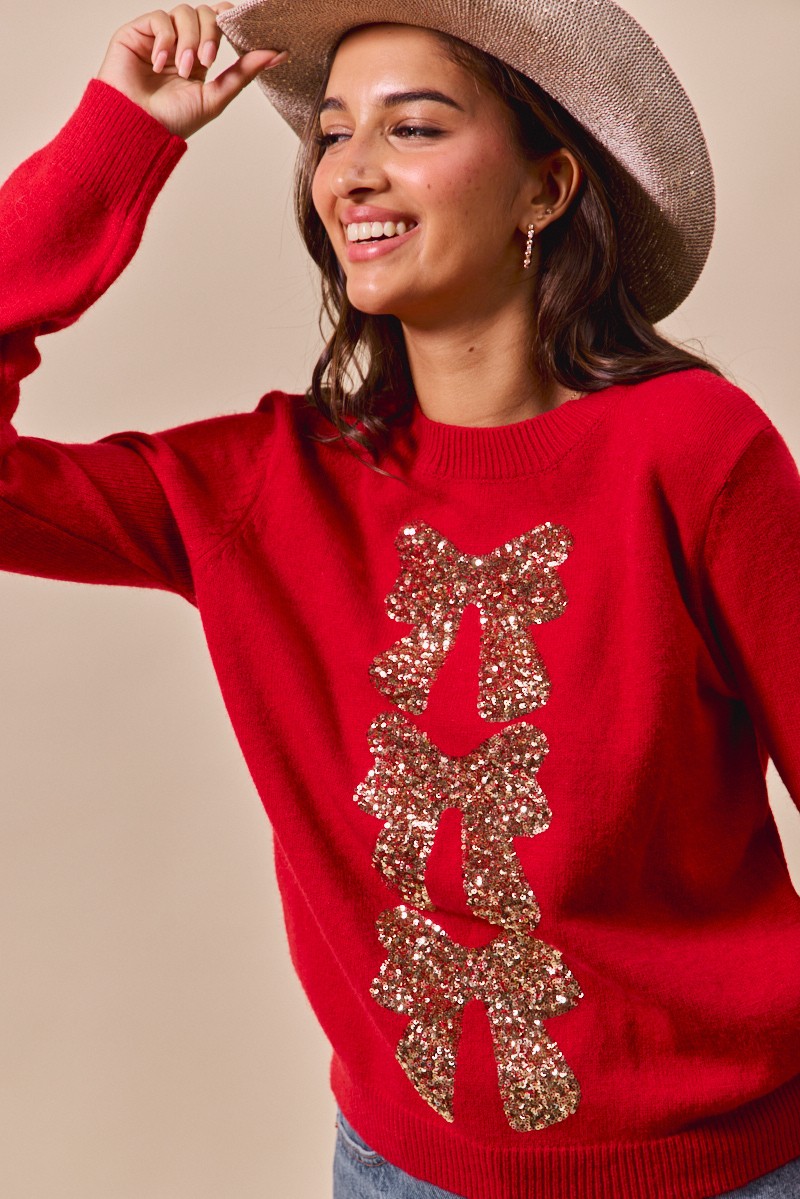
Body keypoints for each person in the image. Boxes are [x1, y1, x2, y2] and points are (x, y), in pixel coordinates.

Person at [1, 1, 799, 1197]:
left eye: (412, 127)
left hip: (725, 1170)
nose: (351, 171)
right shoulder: (264, 485)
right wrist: (117, 141)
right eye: (331, 134)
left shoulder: (692, 452)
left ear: (544, 189)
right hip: (397, 1170)